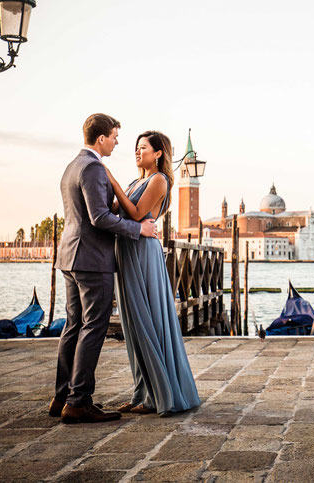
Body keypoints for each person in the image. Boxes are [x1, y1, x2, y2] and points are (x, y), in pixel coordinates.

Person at [51, 113, 159, 424]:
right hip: (92, 259)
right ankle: (79, 400)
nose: (116, 143)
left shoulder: (73, 166)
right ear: (101, 139)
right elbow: (99, 217)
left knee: (74, 326)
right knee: (93, 327)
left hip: (69, 256)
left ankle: (61, 396)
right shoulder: (94, 168)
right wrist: (139, 230)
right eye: (114, 137)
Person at [105, 130, 200, 416]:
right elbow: (114, 211)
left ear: (159, 153)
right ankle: (143, 390)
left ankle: (157, 394)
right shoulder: (138, 181)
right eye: (136, 147)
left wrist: (112, 181)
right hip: (127, 250)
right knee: (133, 324)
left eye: (143, 147)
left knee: (147, 320)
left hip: (143, 253)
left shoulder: (160, 180)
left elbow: (135, 213)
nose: (137, 151)